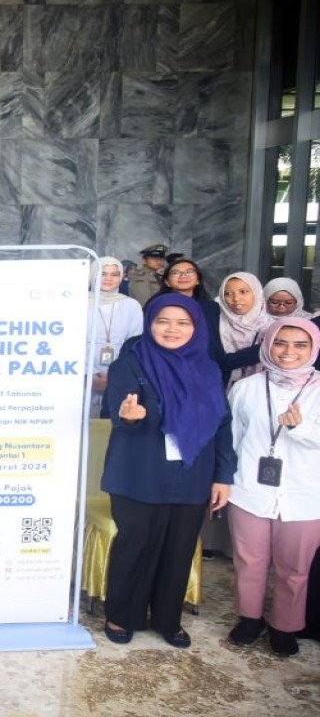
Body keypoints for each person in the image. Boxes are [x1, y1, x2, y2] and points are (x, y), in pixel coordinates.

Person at [100, 293, 234, 648]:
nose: (172, 329)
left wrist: (223, 476)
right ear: (150, 323)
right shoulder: (130, 364)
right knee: (135, 544)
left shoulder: (207, 368)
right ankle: (122, 614)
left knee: (180, 547)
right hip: (138, 471)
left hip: (193, 475)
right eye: (163, 321)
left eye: (183, 322)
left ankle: (167, 618)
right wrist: (128, 417)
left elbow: (222, 426)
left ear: (196, 327)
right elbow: (118, 409)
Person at [225, 317, 320, 657]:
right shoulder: (247, 387)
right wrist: (222, 481)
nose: (288, 351)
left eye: (300, 345)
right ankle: (250, 618)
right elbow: (232, 439)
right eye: (281, 343)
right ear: (268, 345)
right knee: (249, 561)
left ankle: (285, 625)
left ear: (313, 349)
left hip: (305, 496)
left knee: (294, 569)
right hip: (249, 490)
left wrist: (302, 429)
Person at [160, 258, 259, 385]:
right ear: (167, 281)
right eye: (176, 273)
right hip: (169, 370)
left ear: (198, 280)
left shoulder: (211, 307)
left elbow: (215, 348)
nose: (183, 276)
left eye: (189, 272)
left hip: (206, 373)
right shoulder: (156, 307)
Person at [88, 258, 144, 418]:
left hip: (119, 375)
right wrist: (90, 375)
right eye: (102, 273)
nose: (108, 278)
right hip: (82, 375)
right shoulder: (78, 303)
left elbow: (134, 343)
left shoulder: (131, 305)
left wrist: (115, 375)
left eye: (114, 274)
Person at [217, 272, 272, 384]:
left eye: (243, 292)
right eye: (228, 293)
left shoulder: (273, 328)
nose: (236, 298)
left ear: (256, 292)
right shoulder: (214, 323)